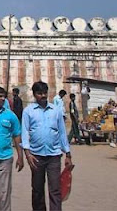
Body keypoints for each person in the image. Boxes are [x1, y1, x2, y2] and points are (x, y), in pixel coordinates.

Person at [22, 81, 72, 211]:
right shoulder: (28, 111)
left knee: (55, 189)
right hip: (36, 156)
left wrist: (67, 153)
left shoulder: (55, 111)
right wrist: (27, 154)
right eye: (39, 93)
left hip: (54, 155)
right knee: (37, 189)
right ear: (34, 94)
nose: (43, 96)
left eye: (45, 93)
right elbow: (25, 132)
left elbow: (61, 132)